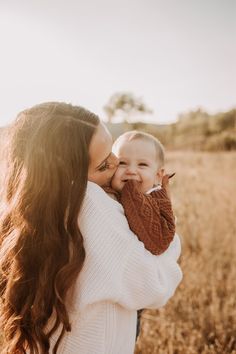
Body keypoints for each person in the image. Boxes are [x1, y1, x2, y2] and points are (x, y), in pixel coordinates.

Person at [0, 102, 182, 354]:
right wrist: (166, 220)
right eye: (103, 164)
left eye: (112, 150)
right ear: (68, 175)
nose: (117, 163)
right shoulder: (91, 203)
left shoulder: (33, 210)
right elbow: (157, 286)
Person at [104, 130, 176, 338]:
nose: (131, 171)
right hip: (108, 288)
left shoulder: (156, 203)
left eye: (142, 165)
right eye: (122, 163)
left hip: (136, 291)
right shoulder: (105, 198)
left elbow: (160, 238)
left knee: (125, 335)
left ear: (158, 175)